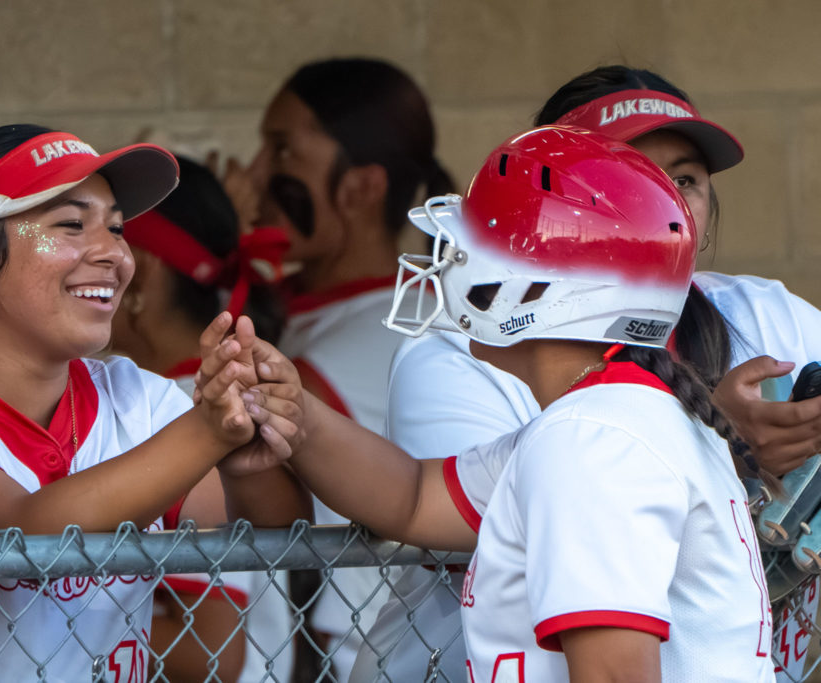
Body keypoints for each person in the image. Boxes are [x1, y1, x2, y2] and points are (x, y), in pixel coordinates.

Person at [230, 125, 776, 681]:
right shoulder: (601, 422)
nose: (453, 257)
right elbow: (413, 500)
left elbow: (614, 674)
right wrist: (295, 413)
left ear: (541, 290)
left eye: (482, 241)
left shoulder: (594, 440)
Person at [362, 65, 821, 682]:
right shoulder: (473, 359)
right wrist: (725, 447)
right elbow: (430, 508)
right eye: (632, 178)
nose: (666, 204)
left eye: (684, 179)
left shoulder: (755, 313)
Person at [0, 124, 309, 682]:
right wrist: (208, 433)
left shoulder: (140, 397)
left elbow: (279, 533)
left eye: (118, 228)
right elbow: (19, 529)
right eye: (72, 225)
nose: (114, 254)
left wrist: (251, 452)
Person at [238, 57, 455, 679]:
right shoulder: (305, 310)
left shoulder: (392, 325)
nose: (254, 177)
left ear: (362, 187)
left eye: (280, 153)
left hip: (373, 656)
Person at [112, 156, 294, 682]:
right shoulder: (193, 397)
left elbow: (207, 649)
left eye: (104, 230)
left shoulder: (189, 409)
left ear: (140, 266)